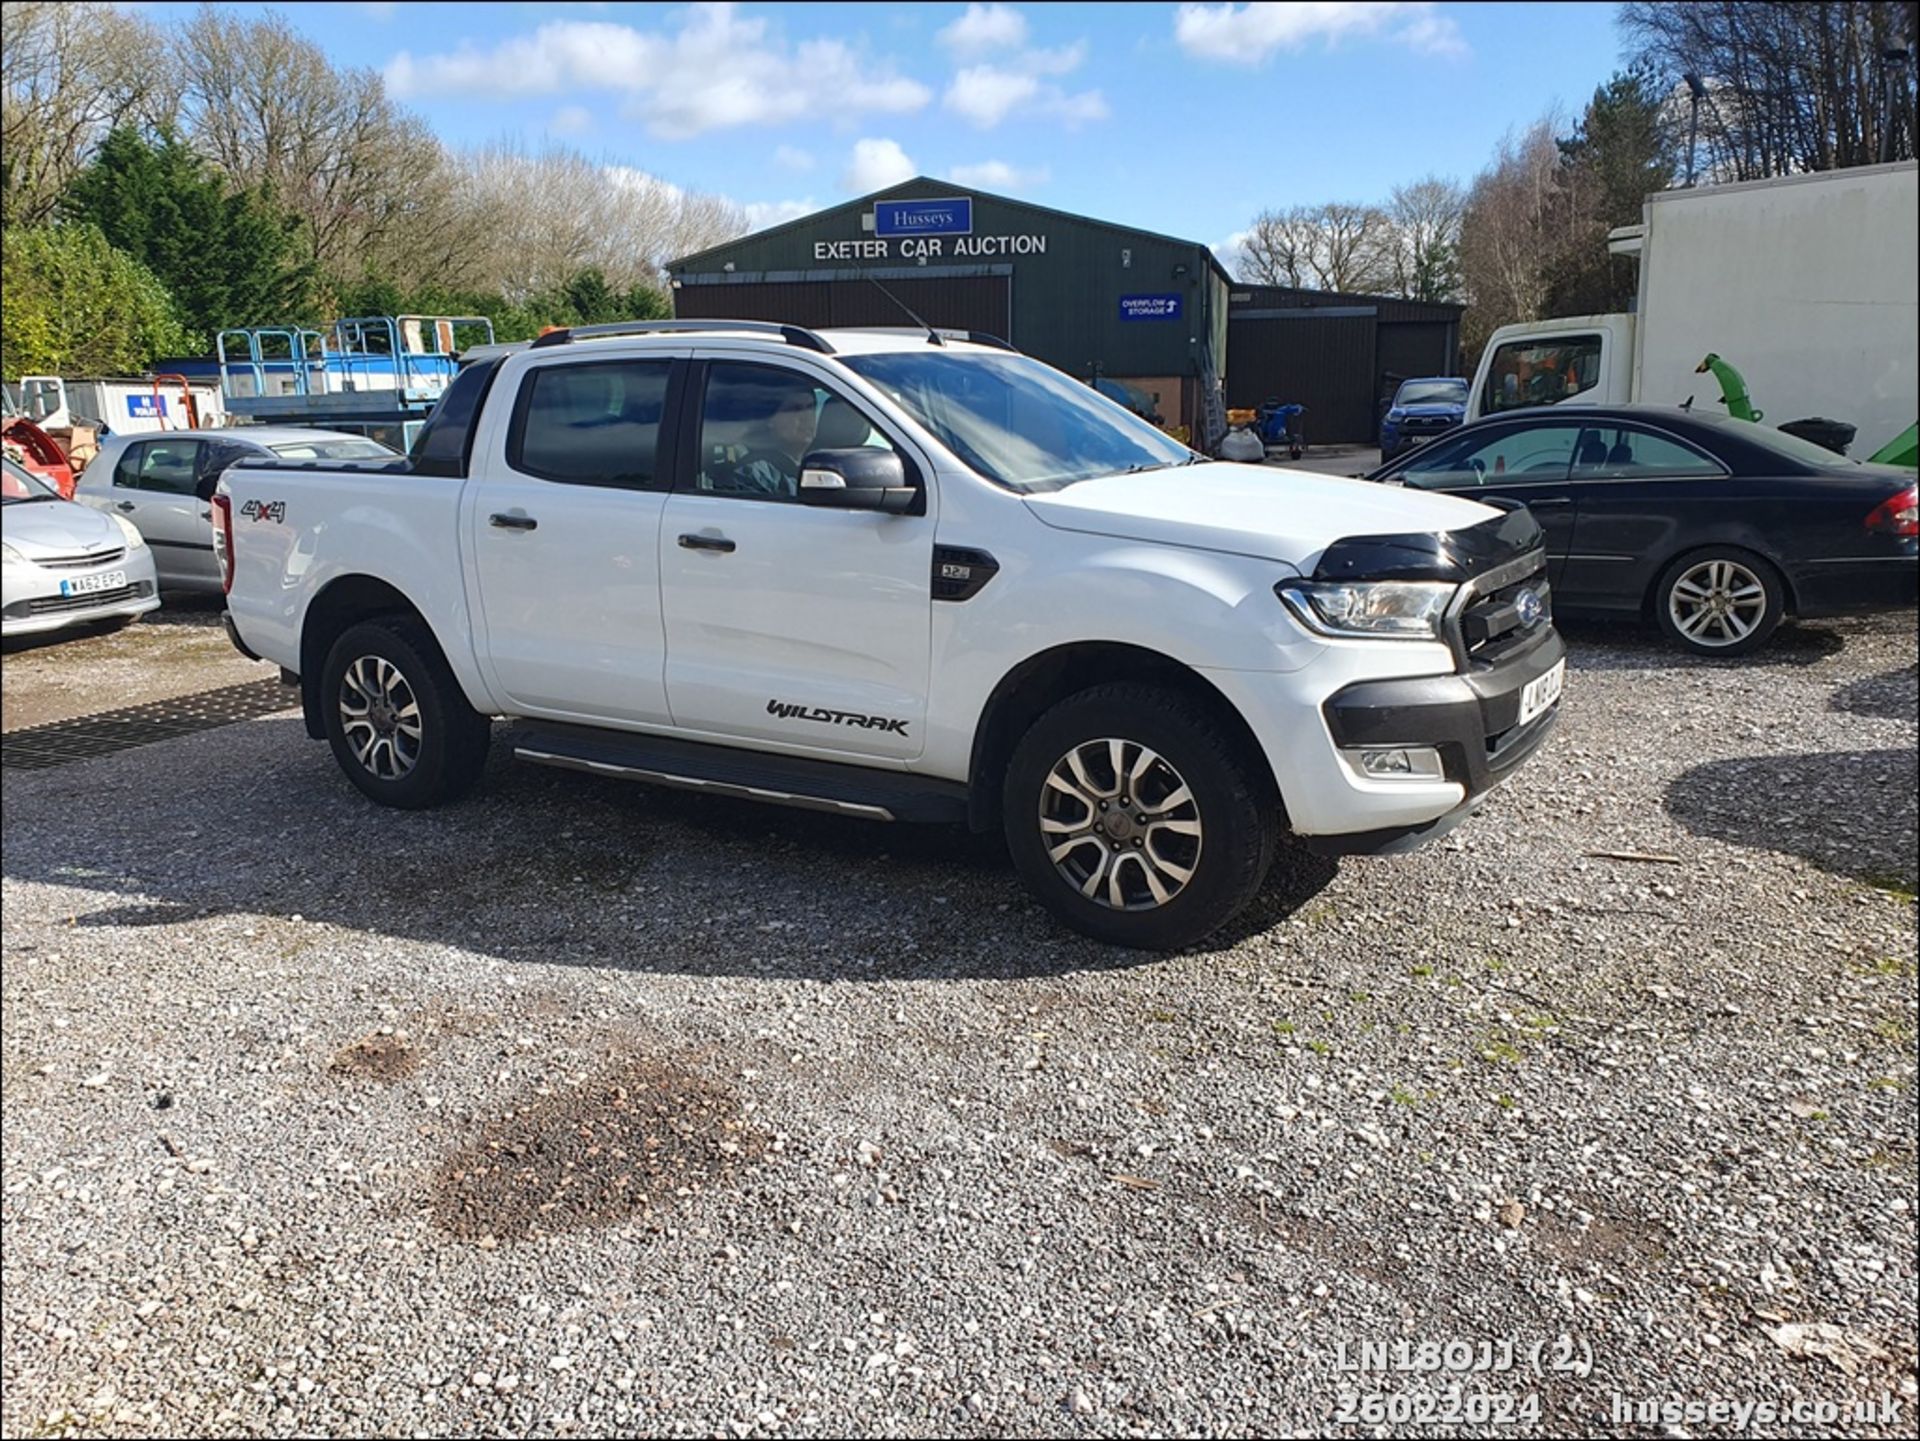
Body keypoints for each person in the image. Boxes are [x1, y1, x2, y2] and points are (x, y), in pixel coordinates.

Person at [727, 382, 817, 498]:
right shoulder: (754, 472)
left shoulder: (819, 466)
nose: (806, 417)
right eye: (795, 409)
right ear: (770, 419)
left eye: (811, 408)